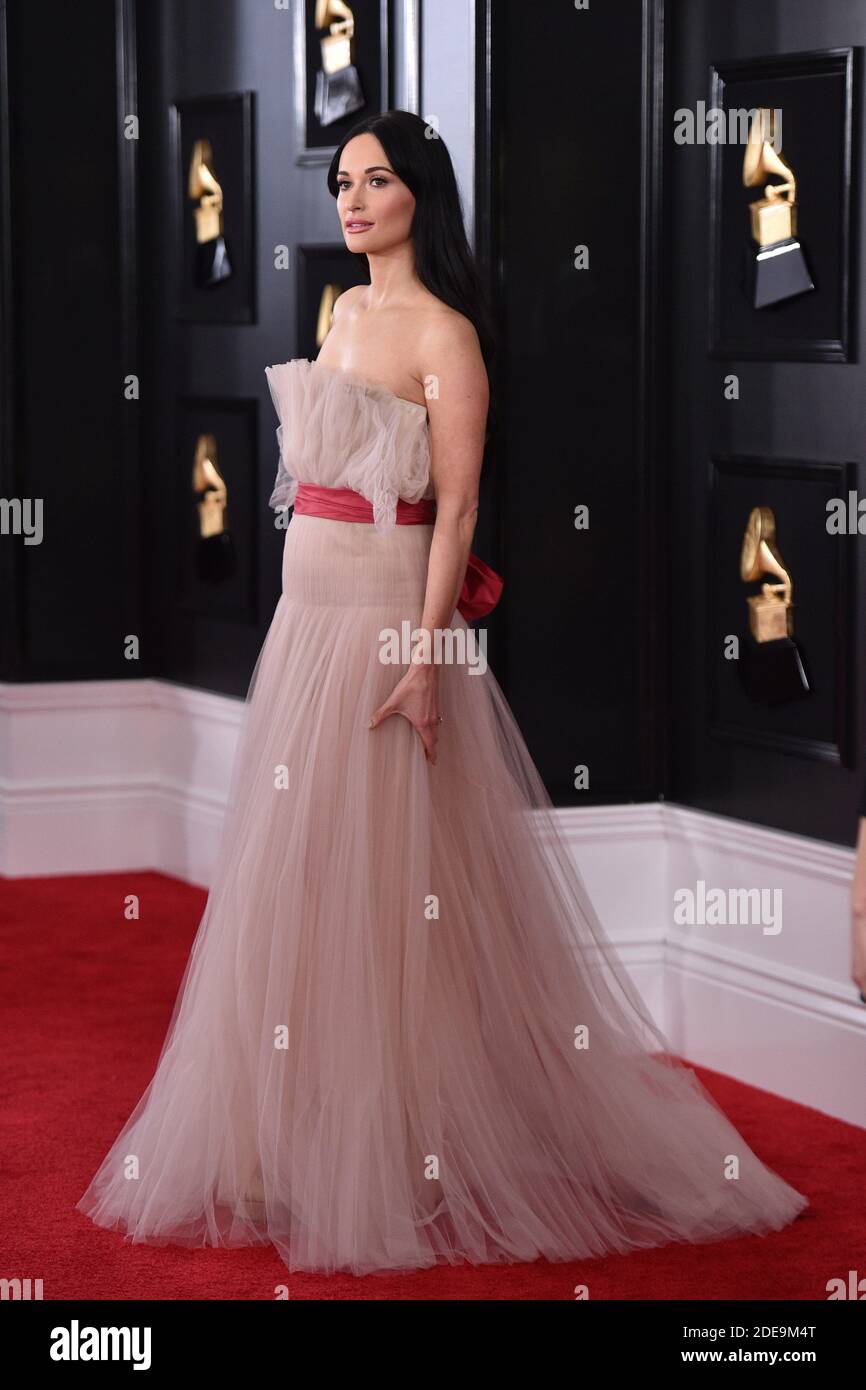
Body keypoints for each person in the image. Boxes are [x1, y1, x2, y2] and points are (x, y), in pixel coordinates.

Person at [75, 110, 808, 1276]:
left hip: (382, 636)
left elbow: (453, 513)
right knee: (299, 879)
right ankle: (288, 1139)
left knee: (390, 894)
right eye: (344, 183)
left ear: (421, 194)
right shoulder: (345, 311)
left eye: (377, 182)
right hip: (302, 623)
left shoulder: (444, 334)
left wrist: (425, 658)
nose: (352, 201)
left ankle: (399, 1145)